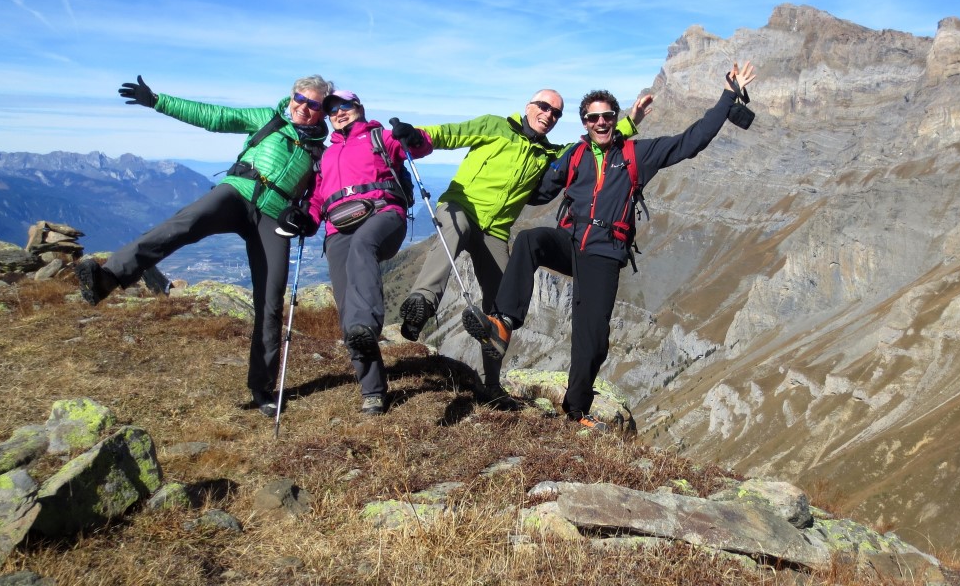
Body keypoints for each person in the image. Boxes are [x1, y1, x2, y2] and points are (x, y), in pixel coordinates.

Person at [462, 62, 758, 431]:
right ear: (584, 123)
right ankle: (503, 322)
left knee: (592, 336)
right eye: (592, 117)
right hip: (570, 241)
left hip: (604, 252)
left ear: (614, 120)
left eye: (606, 117)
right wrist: (483, 183)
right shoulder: (573, 155)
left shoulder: (636, 155)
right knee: (529, 239)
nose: (600, 123)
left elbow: (691, 141)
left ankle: (575, 411)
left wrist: (729, 96)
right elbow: (536, 193)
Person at [75, 75, 330, 418]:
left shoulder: (320, 153)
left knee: (271, 300)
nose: (304, 107)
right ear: (291, 96)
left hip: (274, 217)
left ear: (322, 111)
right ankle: (109, 276)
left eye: (314, 103)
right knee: (184, 224)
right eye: (301, 98)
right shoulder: (267, 119)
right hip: (237, 192)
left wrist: (308, 220)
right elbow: (214, 116)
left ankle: (263, 387)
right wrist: (158, 101)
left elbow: (318, 198)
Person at [396, 90, 648, 406]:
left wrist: (631, 121)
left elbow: (593, 145)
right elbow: (448, 134)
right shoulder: (493, 126)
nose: (549, 115)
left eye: (556, 113)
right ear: (528, 107)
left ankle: (491, 385)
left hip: (496, 232)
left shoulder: (549, 154)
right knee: (453, 226)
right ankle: (423, 303)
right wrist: (416, 136)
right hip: (462, 208)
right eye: (543, 106)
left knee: (502, 303)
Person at [281, 90, 432, 416]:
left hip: (384, 216)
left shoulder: (381, 137)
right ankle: (373, 393)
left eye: (344, 106)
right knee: (347, 306)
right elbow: (319, 199)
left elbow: (419, 147)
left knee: (363, 247)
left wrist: (413, 135)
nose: (338, 112)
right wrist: (305, 218)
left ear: (359, 108)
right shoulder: (325, 155)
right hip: (338, 229)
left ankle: (368, 325)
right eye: (332, 109)